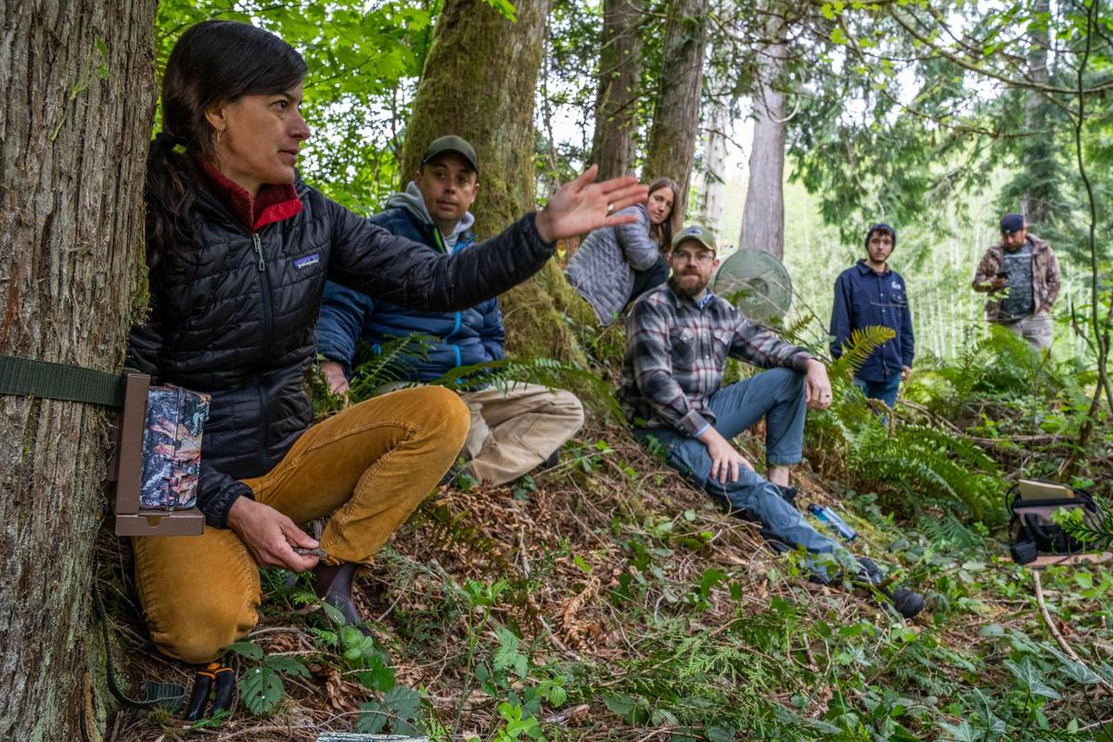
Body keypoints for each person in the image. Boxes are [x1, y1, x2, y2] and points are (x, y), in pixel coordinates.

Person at [127, 20, 646, 666]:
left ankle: (330, 565)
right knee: (201, 631)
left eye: (301, 107)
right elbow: (138, 391)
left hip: (286, 460)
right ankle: (234, 554)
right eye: (280, 106)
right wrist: (230, 507)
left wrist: (538, 231)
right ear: (216, 111)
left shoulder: (311, 216)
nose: (301, 127)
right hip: (179, 476)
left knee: (439, 414)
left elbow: (432, 279)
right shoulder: (148, 212)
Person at [620, 225, 923, 618]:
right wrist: (714, 440)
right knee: (751, 489)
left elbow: (769, 347)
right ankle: (855, 571)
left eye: (700, 255)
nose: (691, 262)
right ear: (672, 261)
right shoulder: (652, 306)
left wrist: (812, 363)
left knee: (788, 375)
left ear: (714, 263)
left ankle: (780, 489)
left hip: (707, 414)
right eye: (683, 255)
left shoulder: (721, 312)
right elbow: (656, 386)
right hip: (662, 429)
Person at [315, 135, 584, 485]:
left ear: (474, 192)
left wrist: (484, 372)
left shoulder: (476, 254)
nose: (450, 188)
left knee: (565, 407)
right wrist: (332, 365)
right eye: (440, 175)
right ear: (418, 179)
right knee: (458, 425)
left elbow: (491, 332)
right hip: (408, 385)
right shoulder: (381, 234)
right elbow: (341, 305)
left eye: (461, 180)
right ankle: (491, 457)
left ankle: (467, 473)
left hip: (472, 388)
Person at [564, 177, 682, 325]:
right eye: (658, 199)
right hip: (584, 287)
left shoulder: (645, 225)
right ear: (647, 197)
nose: (662, 208)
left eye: (669, 205)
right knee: (661, 266)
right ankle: (644, 324)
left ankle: (642, 322)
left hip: (594, 286)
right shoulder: (634, 213)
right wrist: (656, 246)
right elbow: (642, 258)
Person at [829, 223, 914, 409]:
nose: (880, 247)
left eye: (886, 242)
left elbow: (905, 324)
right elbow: (840, 323)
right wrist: (841, 362)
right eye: (875, 241)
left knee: (879, 429)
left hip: (891, 370)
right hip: (859, 371)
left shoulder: (897, 281)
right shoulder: (848, 279)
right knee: (853, 428)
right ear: (867, 244)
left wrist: (907, 360)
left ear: (892, 247)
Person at [972, 213, 1060, 350]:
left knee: (1042, 367)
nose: (1010, 240)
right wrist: (992, 283)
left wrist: (1045, 307)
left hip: (1036, 318)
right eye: (1005, 237)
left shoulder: (1042, 250)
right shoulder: (993, 254)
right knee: (1009, 368)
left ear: (1024, 230)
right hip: (1005, 321)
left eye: (1013, 235)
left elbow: (1055, 279)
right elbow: (977, 283)